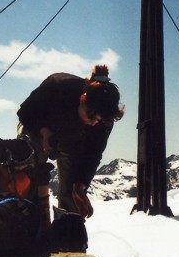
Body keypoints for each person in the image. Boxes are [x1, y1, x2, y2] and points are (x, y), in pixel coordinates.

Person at [17, 64, 124, 218]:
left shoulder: (103, 121)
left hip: (71, 140)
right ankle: (31, 218)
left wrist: (82, 183)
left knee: (72, 189)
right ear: (82, 99)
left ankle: (67, 228)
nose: (94, 123)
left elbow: (94, 153)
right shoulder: (59, 85)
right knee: (32, 163)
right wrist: (44, 131)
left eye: (99, 121)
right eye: (91, 116)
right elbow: (25, 112)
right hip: (36, 124)